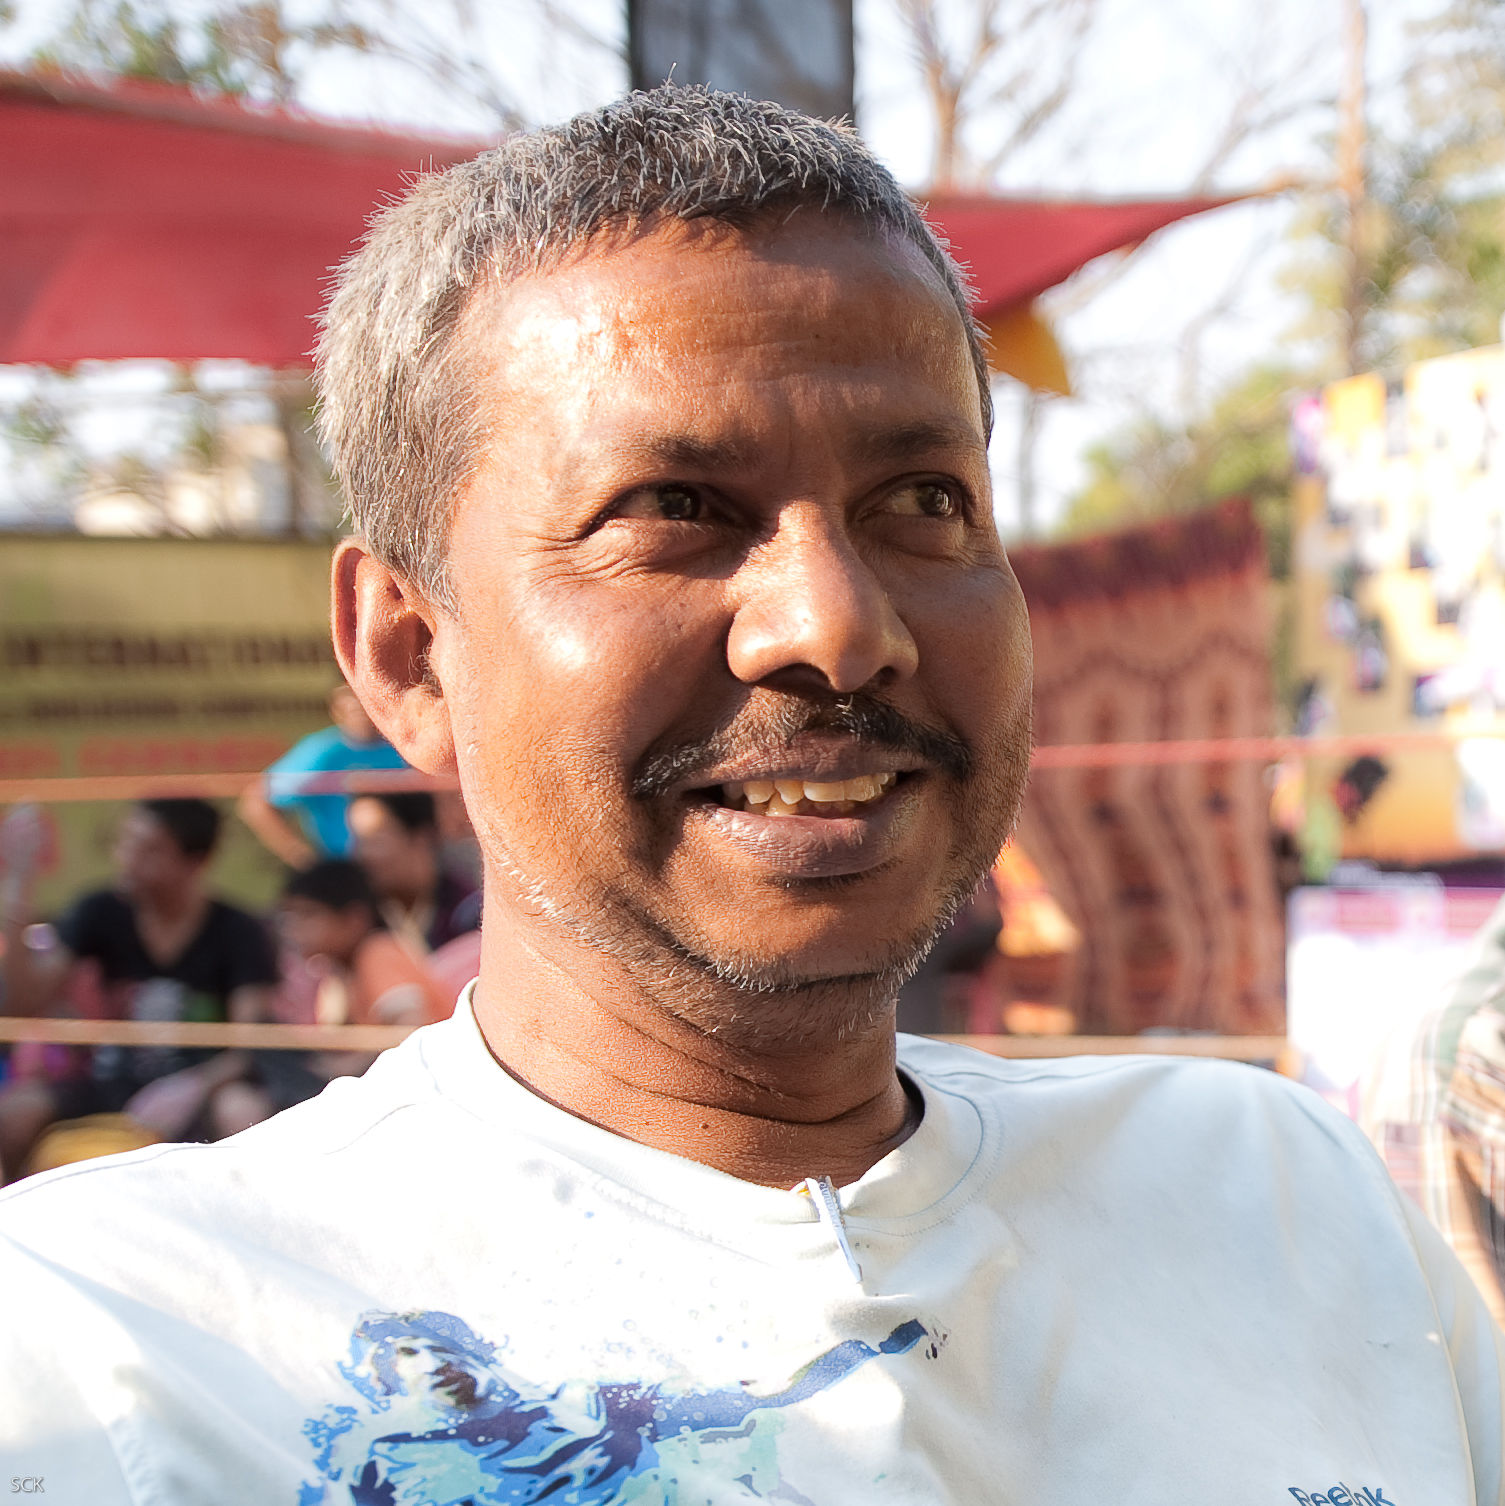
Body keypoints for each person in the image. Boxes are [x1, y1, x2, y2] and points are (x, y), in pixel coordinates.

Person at [0, 87, 1500, 1504]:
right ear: (408, 655)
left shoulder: (1278, 1199)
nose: (836, 626)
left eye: (921, 502)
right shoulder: (121, 1350)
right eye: (672, 510)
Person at [0, 798, 278, 1176]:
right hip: (111, 1080)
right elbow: (23, 1003)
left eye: (149, 850)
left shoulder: (239, 932)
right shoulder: (99, 911)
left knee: (243, 1111)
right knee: (15, 1113)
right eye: (126, 843)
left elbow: (254, 1044)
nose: (126, 859)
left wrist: (194, 1085)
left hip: (204, 1083)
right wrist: (19, 887)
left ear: (195, 862)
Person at [231, 859, 452, 1126]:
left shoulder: (378, 952)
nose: (294, 929)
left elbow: (410, 1030)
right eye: (289, 917)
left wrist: (345, 1069)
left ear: (353, 919)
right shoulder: (339, 976)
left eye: (308, 915)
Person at [238, 677, 409, 868]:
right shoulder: (323, 752)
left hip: (408, 866)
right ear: (336, 711)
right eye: (353, 708)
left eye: (367, 704)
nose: (362, 713)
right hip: (346, 868)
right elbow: (257, 802)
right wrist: (302, 858)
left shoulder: (407, 747)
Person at [346, 791, 480, 955]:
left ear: (422, 836)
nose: (362, 854)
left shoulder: (470, 912)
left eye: (376, 840)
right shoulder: (357, 921)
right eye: (358, 841)